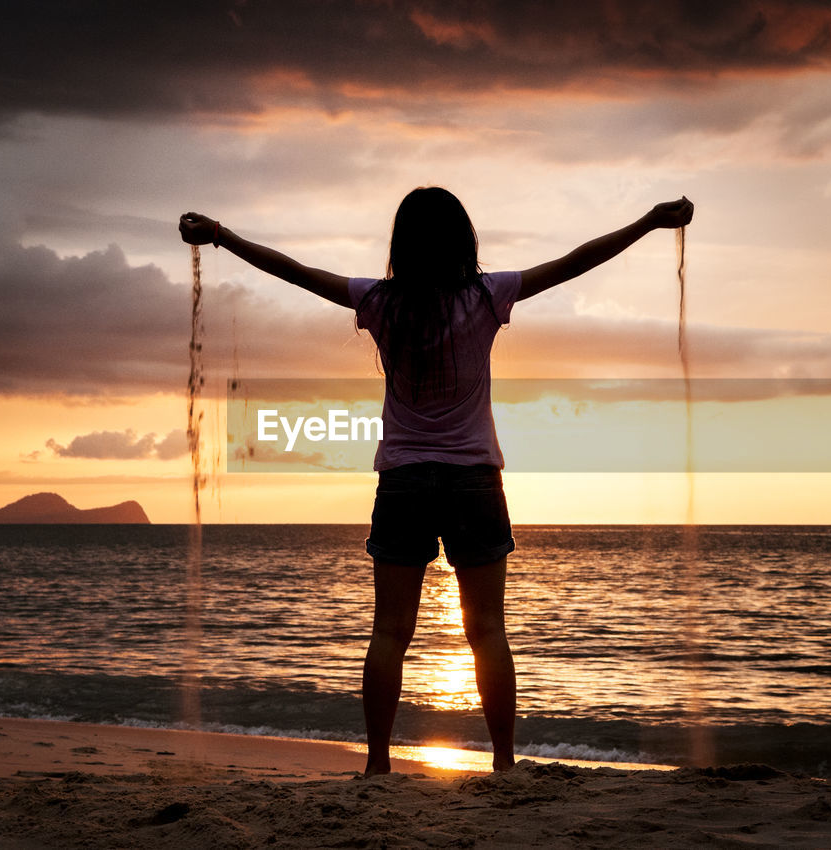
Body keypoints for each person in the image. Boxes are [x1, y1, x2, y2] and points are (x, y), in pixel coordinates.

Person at [180, 188, 693, 776]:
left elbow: (293, 271)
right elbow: (575, 262)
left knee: (390, 633)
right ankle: (503, 761)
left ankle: (378, 765)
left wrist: (223, 235)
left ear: (401, 244)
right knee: (488, 631)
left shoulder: (378, 301)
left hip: (403, 482)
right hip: (474, 479)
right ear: (463, 240)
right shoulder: (485, 295)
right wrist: (649, 222)